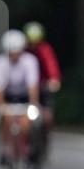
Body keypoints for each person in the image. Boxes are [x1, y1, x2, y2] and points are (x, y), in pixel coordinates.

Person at [0, 29, 41, 166]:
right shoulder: (0, 62)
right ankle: (5, 148)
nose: (14, 56)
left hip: (25, 97)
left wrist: (33, 105)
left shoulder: (30, 61)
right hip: (8, 98)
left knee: (29, 123)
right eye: (11, 53)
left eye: (17, 52)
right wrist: (0, 106)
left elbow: (32, 86)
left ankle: (28, 147)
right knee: (4, 119)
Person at [23, 21, 61, 157]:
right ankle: (24, 145)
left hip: (42, 88)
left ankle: (45, 140)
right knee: (22, 119)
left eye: (36, 42)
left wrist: (54, 80)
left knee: (47, 118)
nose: (33, 45)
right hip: (26, 90)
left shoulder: (45, 49)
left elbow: (51, 65)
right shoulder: (22, 52)